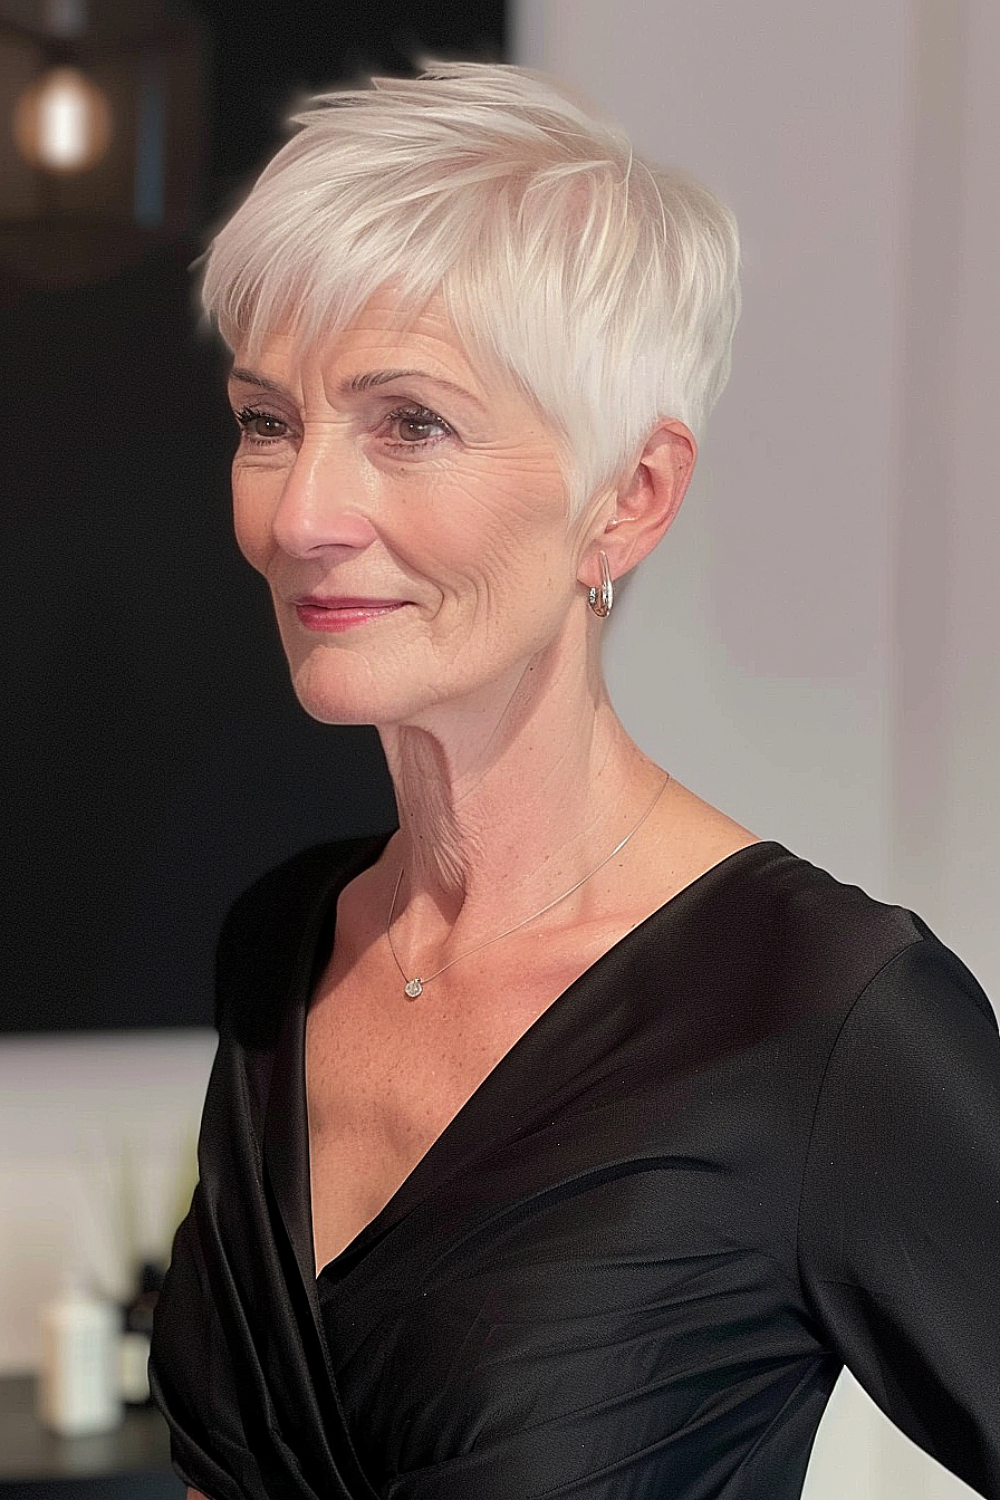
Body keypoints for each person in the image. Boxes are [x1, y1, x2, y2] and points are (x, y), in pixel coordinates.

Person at [148, 62, 1000, 1500]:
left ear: (631, 496)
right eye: (266, 420)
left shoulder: (825, 1016)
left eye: (408, 422)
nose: (300, 516)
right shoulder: (282, 948)